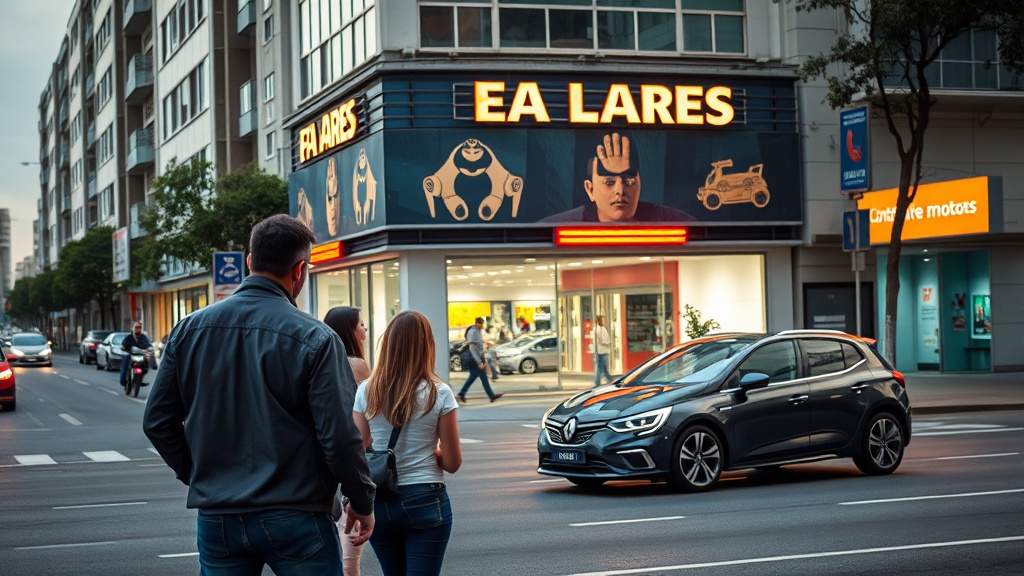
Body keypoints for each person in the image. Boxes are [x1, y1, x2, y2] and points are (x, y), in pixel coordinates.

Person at [143, 214, 376, 575]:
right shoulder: (316, 338)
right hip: (297, 514)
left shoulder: (188, 330)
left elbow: (158, 422)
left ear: (249, 261)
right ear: (299, 270)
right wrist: (361, 500)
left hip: (218, 513)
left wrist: (198, 474)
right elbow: (339, 436)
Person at [353, 310, 462, 576]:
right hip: (425, 497)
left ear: (387, 344)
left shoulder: (366, 390)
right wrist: (432, 450)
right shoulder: (439, 393)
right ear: (427, 346)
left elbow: (358, 449)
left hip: (380, 499)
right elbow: (452, 462)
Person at [540, 133, 696, 223]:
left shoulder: (672, 221)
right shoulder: (560, 225)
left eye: (629, 182)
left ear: (639, 185)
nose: (620, 191)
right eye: (609, 182)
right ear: (590, 189)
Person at [323, 306, 371, 576]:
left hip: (327, 450)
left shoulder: (326, 359)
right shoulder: (356, 364)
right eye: (361, 324)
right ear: (349, 331)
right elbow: (371, 410)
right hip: (352, 448)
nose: (364, 328)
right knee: (352, 538)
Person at [456, 317, 503, 403]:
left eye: (482, 323)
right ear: (477, 323)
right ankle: (461, 394)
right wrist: (478, 361)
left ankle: (490, 395)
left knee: (481, 376)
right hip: (473, 359)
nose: (481, 325)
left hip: (476, 358)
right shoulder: (473, 331)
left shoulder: (477, 331)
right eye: (480, 323)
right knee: (475, 375)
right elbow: (473, 348)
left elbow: (478, 345)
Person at [119, 321, 152, 393]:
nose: (138, 329)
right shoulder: (129, 337)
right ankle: (125, 381)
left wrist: (149, 348)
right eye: (136, 327)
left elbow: (148, 345)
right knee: (124, 367)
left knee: (146, 366)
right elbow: (124, 344)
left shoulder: (144, 337)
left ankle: (140, 380)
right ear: (133, 328)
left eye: (139, 327)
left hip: (140, 356)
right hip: (130, 356)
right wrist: (125, 348)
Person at [592, 315, 612, 387]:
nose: (604, 322)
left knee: (602, 368)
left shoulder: (595, 329)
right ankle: (597, 383)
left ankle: (609, 379)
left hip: (597, 351)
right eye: (603, 320)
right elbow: (601, 340)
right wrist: (607, 343)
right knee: (600, 368)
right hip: (602, 351)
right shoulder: (602, 329)